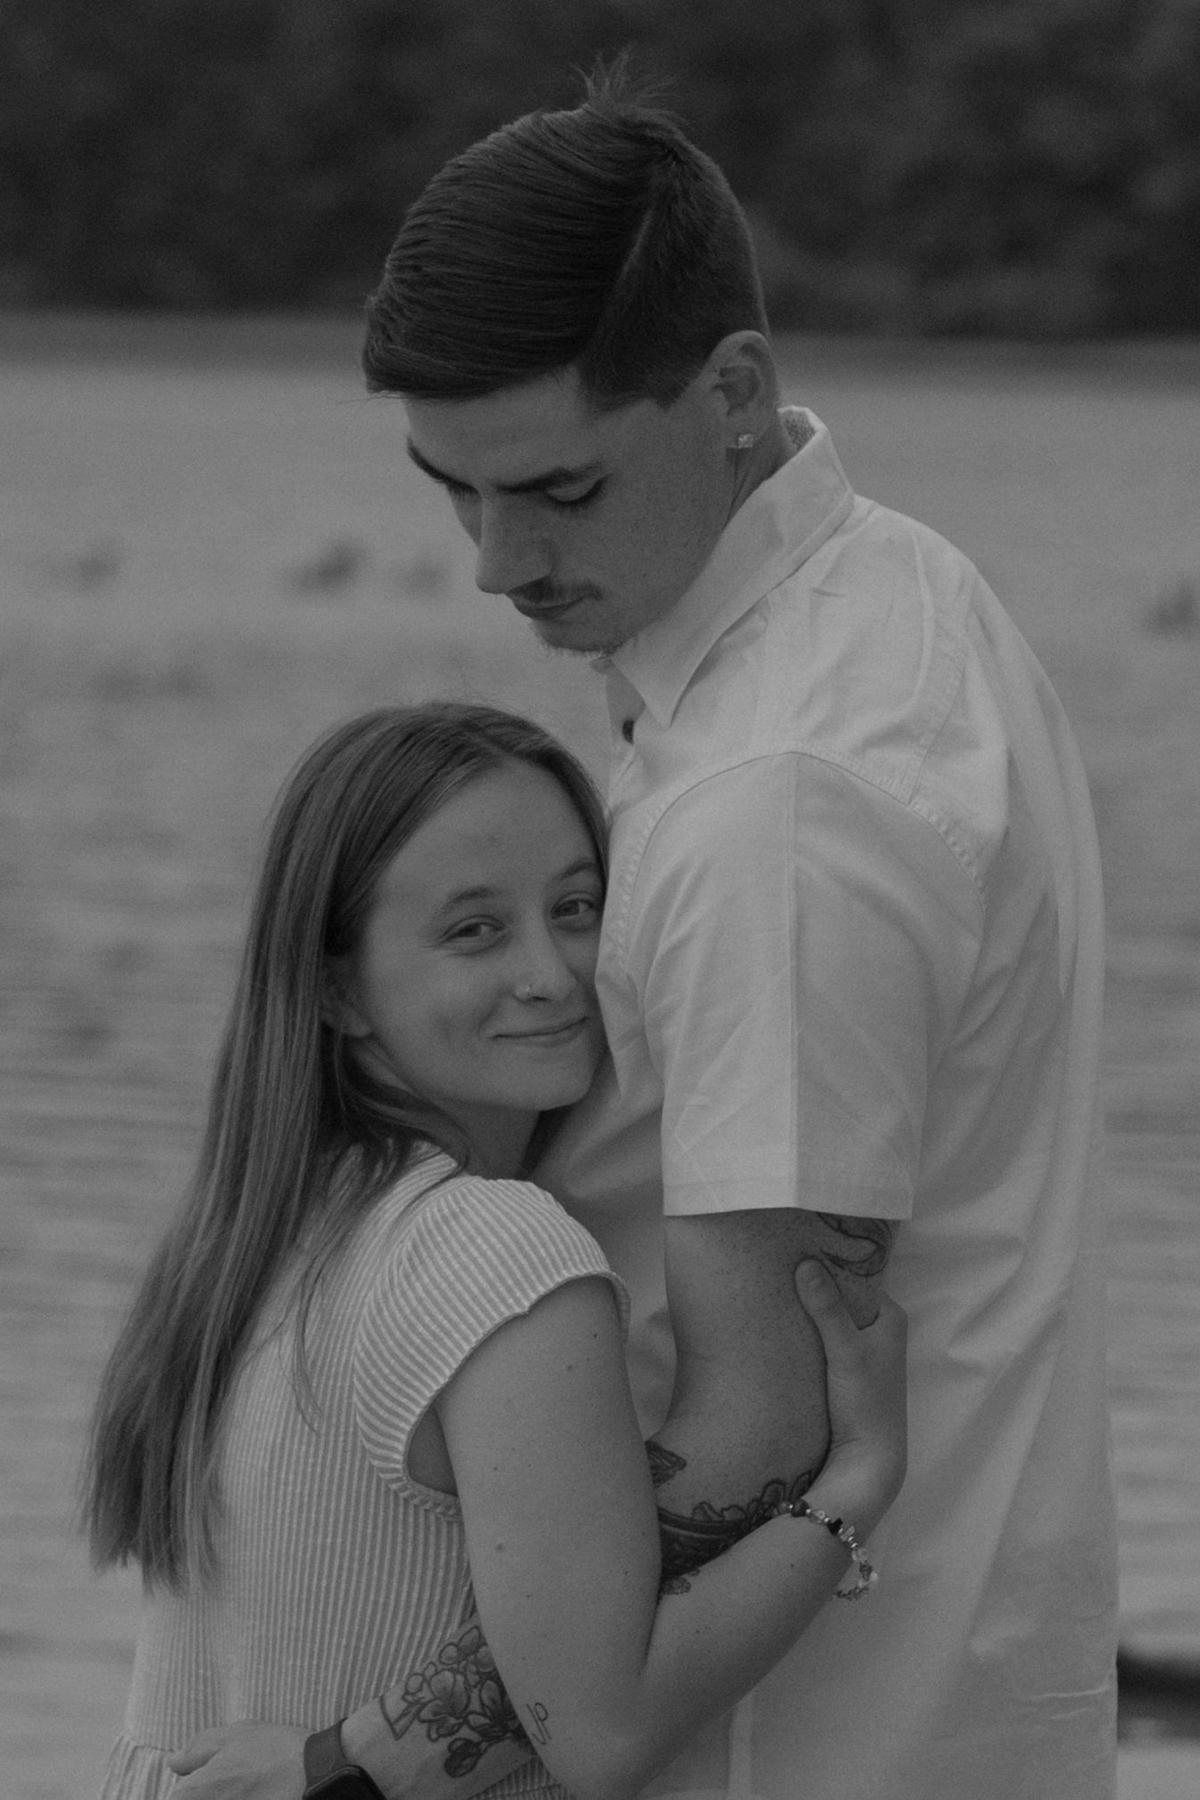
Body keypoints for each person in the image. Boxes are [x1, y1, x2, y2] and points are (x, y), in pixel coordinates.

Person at [171, 65, 1117, 1800]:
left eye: (558, 488)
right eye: (454, 491)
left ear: (733, 392)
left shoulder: (782, 807)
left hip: (783, 1746)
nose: (495, 559)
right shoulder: (895, 591)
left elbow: (762, 1426)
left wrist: (352, 1768)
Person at [85, 702, 908, 1800]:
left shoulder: (246, 1236)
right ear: (337, 987)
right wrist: (853, 1485)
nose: (553, 974)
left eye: (576, 909)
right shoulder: (498, 1253)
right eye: (476, 930)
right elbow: (604, 1731)